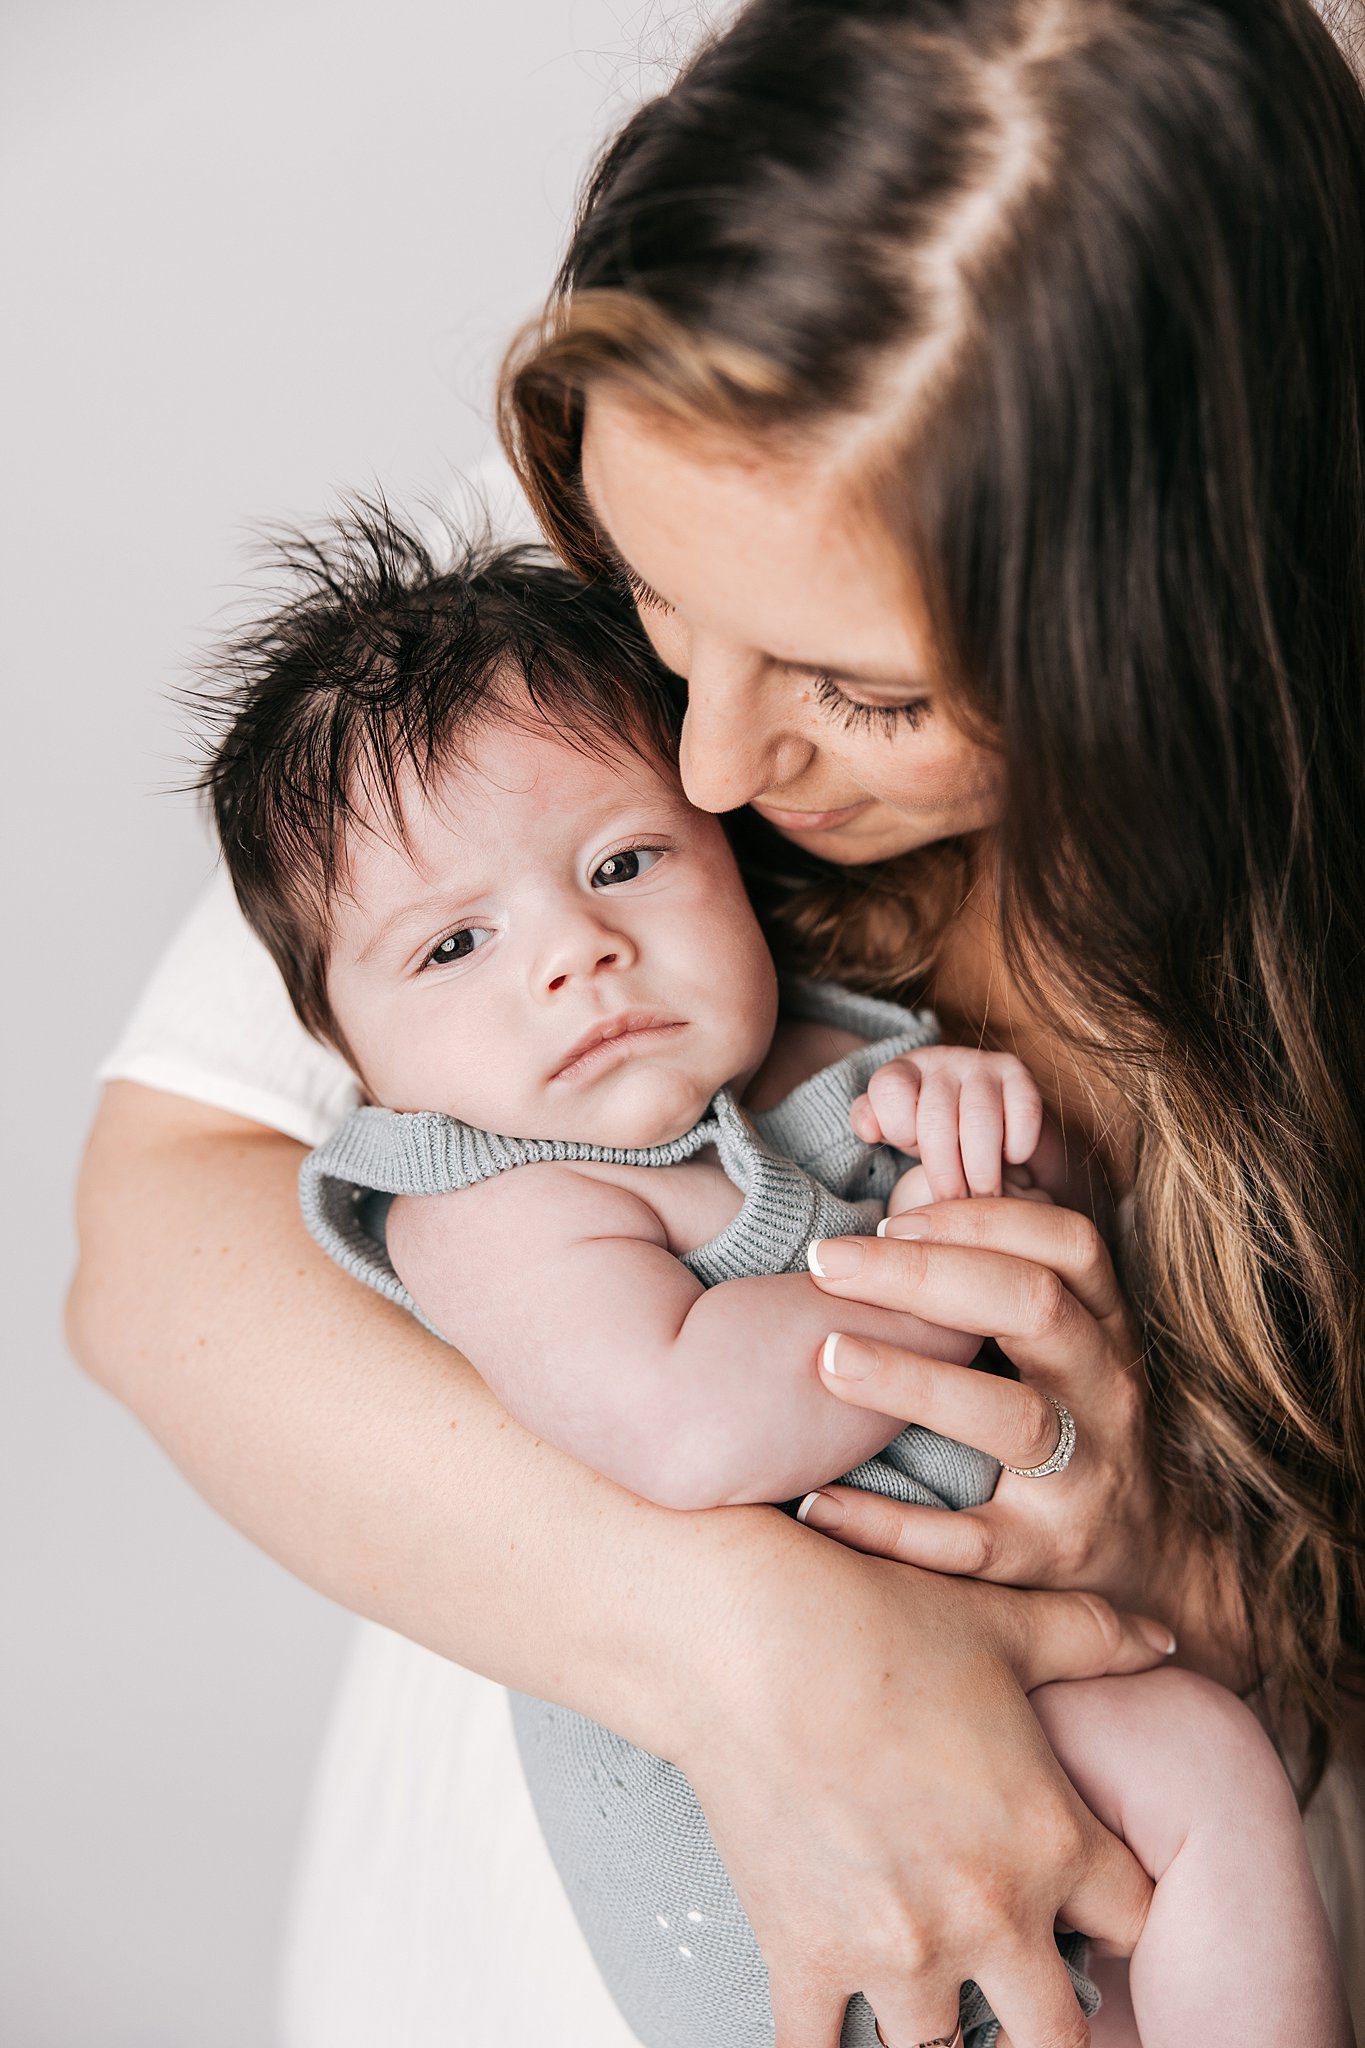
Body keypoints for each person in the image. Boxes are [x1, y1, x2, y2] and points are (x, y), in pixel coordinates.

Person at [69, 1, 1365, 2044]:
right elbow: (151, 1256)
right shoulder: (613, 577)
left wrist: (1166, 1562)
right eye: (665, 611)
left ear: (1187, 639)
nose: (708, 759)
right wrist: (771, 1649)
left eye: (861, 693)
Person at [198, 509, 1349, 2048]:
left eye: (621, 861)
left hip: (997, 1682)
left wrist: (997, 1151)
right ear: (348, 1052)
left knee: (1207, 1771)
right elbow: (680, 1421)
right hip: (748, 1816)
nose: (575, 952)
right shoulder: (490, 1197)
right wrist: (934, 1261)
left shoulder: (839, 1047)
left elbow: (1063, 1287)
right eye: (454, 944)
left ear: (722, 857)